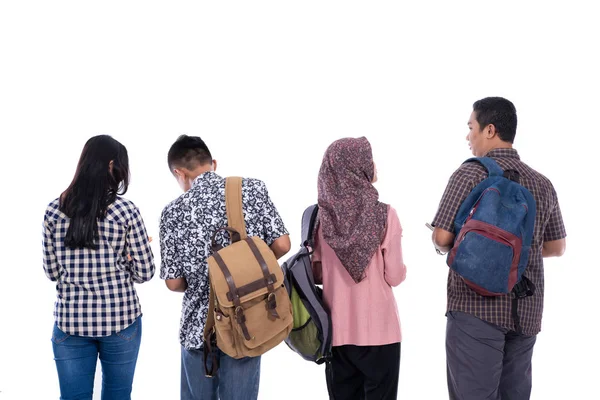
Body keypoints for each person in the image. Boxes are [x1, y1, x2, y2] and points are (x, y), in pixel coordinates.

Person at [430, 97, 567, 400]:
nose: (469, 136)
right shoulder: (542, 183)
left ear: (489, 130)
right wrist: (514, 255)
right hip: (526, 311)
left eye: (471, 128)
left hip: (474, 309)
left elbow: (441, 238)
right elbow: (557, 247)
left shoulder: (469, 174)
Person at [159, 135, 291, 400]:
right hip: (247, 322)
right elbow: (283, 244)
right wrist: (247, 271)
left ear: (179, 173)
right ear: (213, 163)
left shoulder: (172, 212)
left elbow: (174, 283)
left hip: (199, 328)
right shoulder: (252, 188)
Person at [43, 135, 155, 400]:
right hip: (120, 319)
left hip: (71, 321)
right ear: (111, 165)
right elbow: (145, 272)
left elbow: (52, 272)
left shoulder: (53, 210)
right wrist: (126, 259)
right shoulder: (126, 211)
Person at [311, 136, 407, 400]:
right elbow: (395, 276)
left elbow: (316, 274)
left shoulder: (320, 218)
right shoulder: (385, 214)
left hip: (338, 333)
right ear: (359, 165)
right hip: (381, 332)